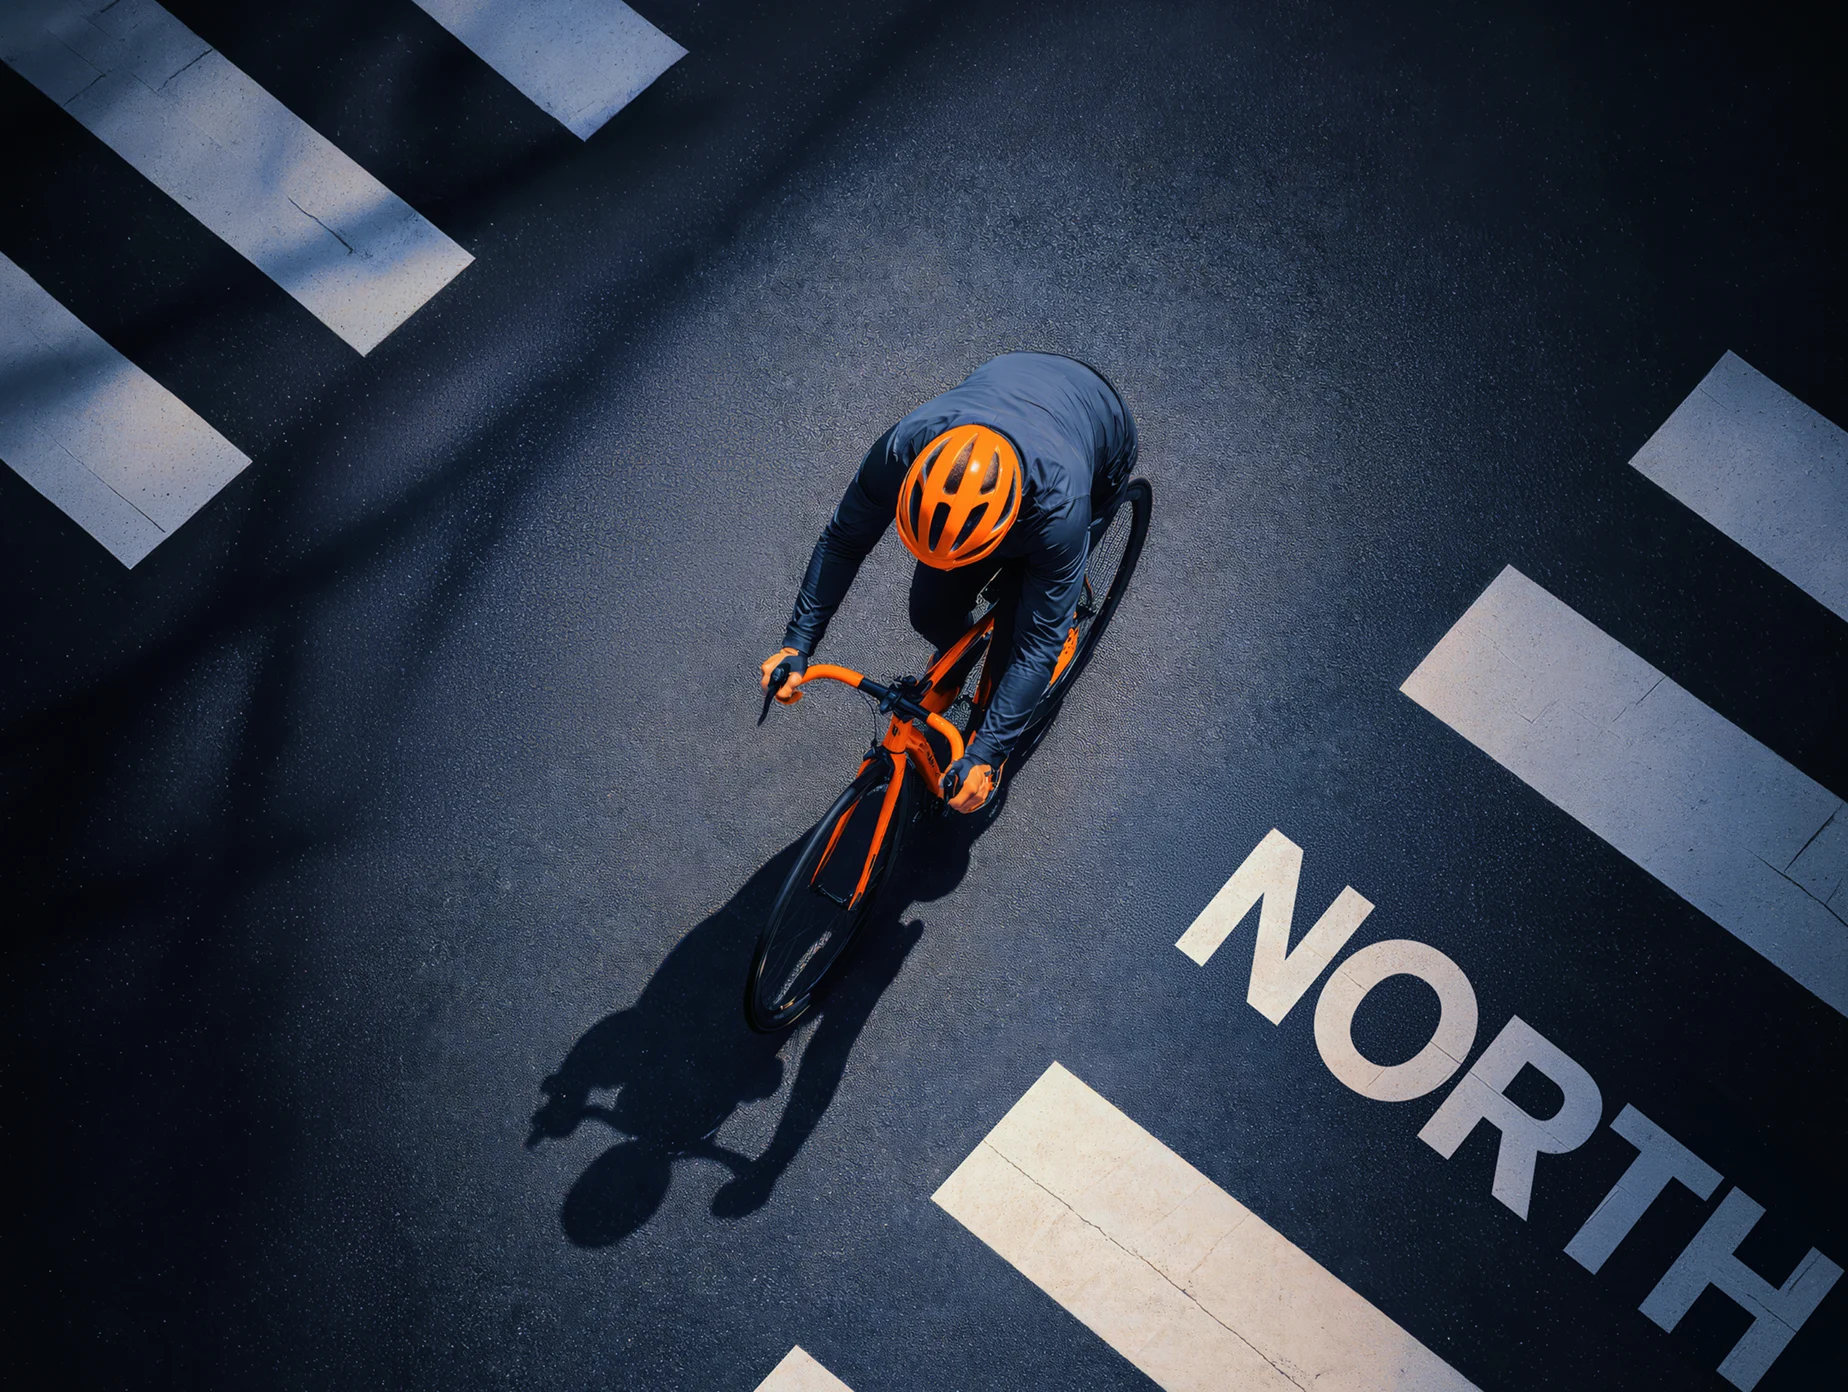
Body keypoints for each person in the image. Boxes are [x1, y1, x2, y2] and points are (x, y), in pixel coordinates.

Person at [759, 352, 1138, 812]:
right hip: (1014, 384)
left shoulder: (1059, 509)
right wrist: (797, 643)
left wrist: (987, 753)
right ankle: (963, 660)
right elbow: (843, 542)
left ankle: (1047, 620)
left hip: (1100, 433)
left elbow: (1038, 645)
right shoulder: (903, 450)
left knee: (1022, 642)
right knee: (930, 609)